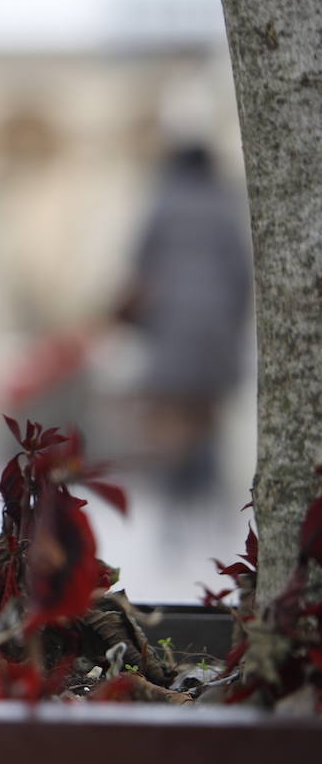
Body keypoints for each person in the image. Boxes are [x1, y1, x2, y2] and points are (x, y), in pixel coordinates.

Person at [115, 141, 252, 500]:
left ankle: (173, 495)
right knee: (206, 414)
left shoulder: (162, 204)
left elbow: (141, 268)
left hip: (170, 327)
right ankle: (207, 490)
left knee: (171, 415)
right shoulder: (226, 208)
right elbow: (241, 274)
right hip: (216, 330)